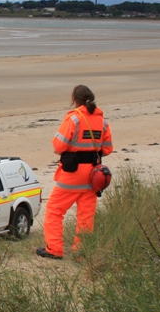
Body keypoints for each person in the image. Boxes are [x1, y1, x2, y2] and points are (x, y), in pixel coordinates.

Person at [36, 85, 113, 260]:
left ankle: (54, 249)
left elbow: (58, 146)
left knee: (55, 210)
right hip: (93, 177)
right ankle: (81, 252)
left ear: (74, 100)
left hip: (71, 175)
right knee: (86, 216)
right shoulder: (103, 122)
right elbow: (107, 149)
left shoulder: (74, 119)